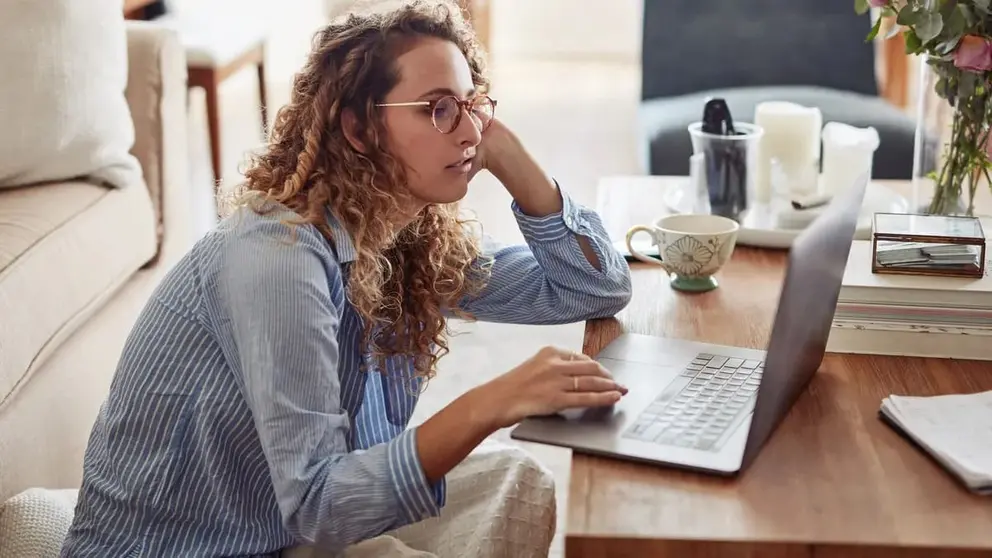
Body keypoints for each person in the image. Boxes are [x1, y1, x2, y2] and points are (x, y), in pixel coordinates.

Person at [60, 1, 633, 556]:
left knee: (516, 478)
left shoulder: (409, 240)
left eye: (472, 105)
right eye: (437, 109)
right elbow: (318, 504)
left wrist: (515, 161)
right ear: (359, 128)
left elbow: (595, 288)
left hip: (280, 529)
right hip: (193, 547)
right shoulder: (280, 255)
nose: (469, 134)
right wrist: (493, 401)